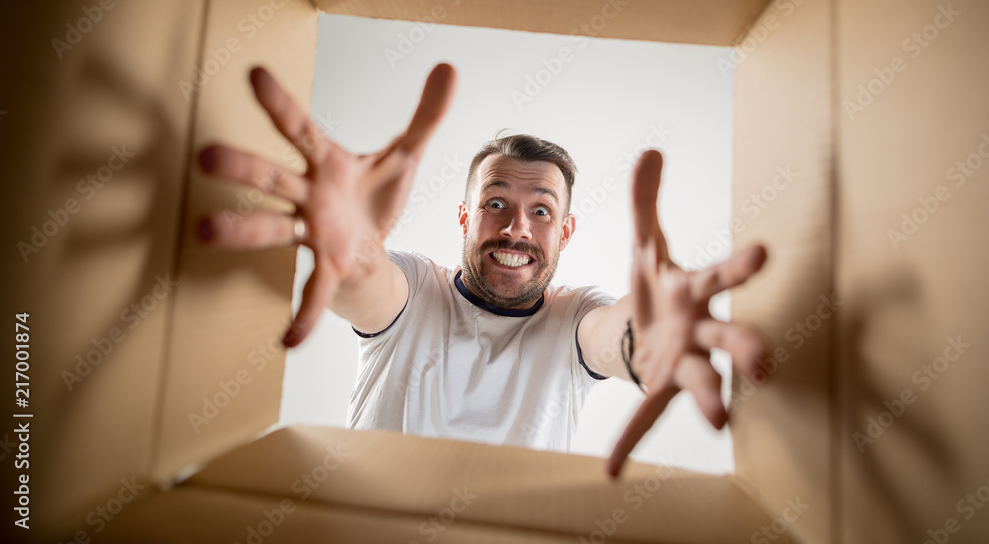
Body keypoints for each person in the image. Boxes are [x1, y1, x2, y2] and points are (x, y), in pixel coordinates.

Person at [196, 63, 769, 477]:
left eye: (541, 210)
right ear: (465, 218)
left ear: (564, 233)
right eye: (496, 203)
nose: (517, 228)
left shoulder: (574, 318)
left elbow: (612, 338)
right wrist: (352, 249)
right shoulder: (416, 289)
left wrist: (648, 340)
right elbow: (365, 284)